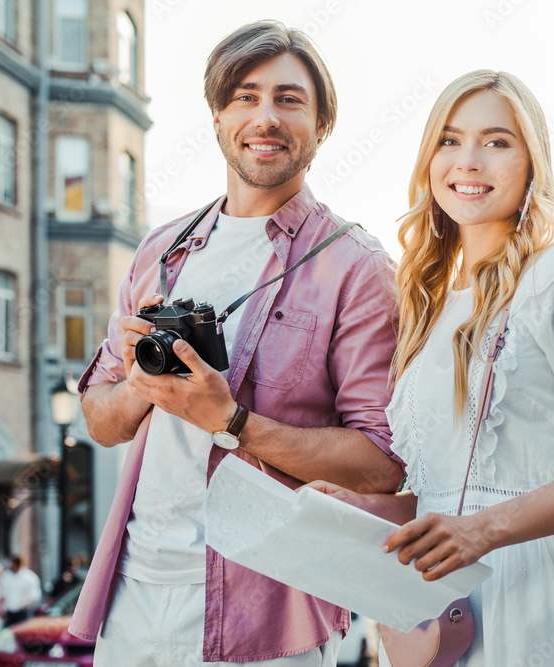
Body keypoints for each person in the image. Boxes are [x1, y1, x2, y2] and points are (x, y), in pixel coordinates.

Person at [68, 20, 402, 666]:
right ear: (218, 116)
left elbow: (382, 462)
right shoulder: (160, 250)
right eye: (245, 96)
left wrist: (231, 421)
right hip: (135, 594)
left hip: (268, 608)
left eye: (289, 99)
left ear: (322, 124)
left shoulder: (355, 266)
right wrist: (142, 384)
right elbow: (101, 420)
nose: (266, 117)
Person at [308, 70, 554, 665]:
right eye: (449, 140)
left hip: (537, 596)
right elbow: (446, 489)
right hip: (436, 611)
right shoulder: (428, 305)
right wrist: (364, 511)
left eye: (496, 141)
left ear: (531, 162)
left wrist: (483, 531)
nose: (469, 161)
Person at [0, 555, 41, 627]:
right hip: (9, 612)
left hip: (22, 612)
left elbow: (34, 595)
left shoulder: (29, 577)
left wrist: (26, 604)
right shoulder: (6, 575)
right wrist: (1, 606)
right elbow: (2, 592)